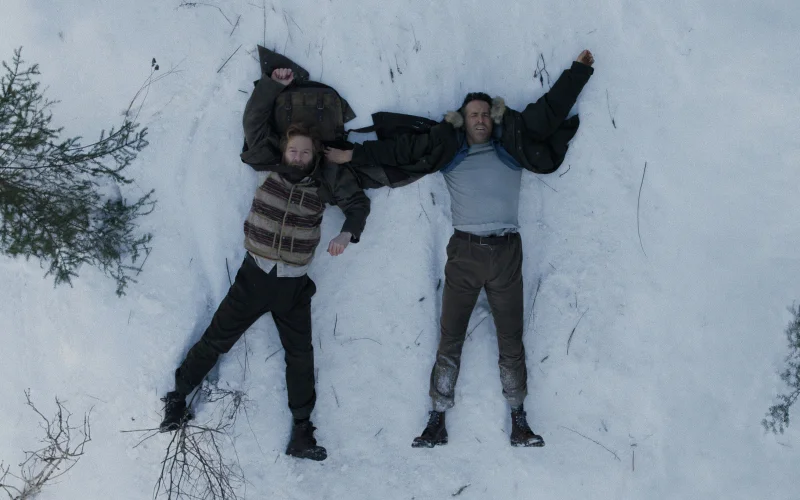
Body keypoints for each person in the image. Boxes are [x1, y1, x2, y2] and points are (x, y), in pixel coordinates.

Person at [326, 50, 595, 447]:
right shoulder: (449, 154)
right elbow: (404, 151)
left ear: (494, 117)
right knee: (450, 338)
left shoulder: (512, 148)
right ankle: (436, 419)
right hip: (464, 253)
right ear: (463, 120)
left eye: (485, 113)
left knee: (511, 340)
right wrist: (355, 154)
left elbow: (548, 111)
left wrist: (578, 72)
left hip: (506, 253)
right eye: (473, 115)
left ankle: (519, 419)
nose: (480, 119)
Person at [159, 67, 370, 462]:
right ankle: (177, 398)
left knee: (300, 356)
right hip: (254, 277)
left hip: (293, 286)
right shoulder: (269, 166)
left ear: (314, 154)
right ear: (285, 150)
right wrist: (273, 86)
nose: (299, 157)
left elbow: (358, 204)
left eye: (305, 152)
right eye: (294, 150)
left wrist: (347, 234)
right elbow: (254, 123)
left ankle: (302, 431)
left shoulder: (326, 180)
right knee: (217, 338)